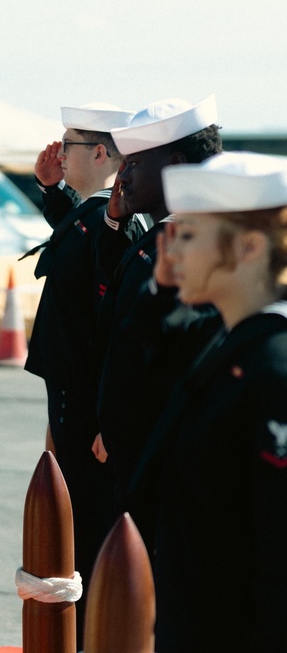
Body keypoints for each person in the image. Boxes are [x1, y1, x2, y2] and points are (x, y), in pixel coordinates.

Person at [128, 152, 287, 651]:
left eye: (189, 235)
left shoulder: (274, 369)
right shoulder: (232, 339)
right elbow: (156, 351)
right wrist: (162, 289)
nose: (171, 253)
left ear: (248, 248)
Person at [93, 96, 222, 547]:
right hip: (136, 456)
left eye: (134, 163)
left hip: (166, 466)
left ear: (176, 166)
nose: (122, 175)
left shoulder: (201, 250)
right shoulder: (159, 235)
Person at [25, 103, 132, 644]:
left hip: (90, 407)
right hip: (71, 399)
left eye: (67, 145)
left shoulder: (117, 221)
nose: (58, 153)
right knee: (75, 528)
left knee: (89, 530)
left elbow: (117, 328)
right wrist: (50, 192)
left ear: (98, 152)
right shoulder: (94, 215)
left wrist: (108, 418)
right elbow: (78, 231)